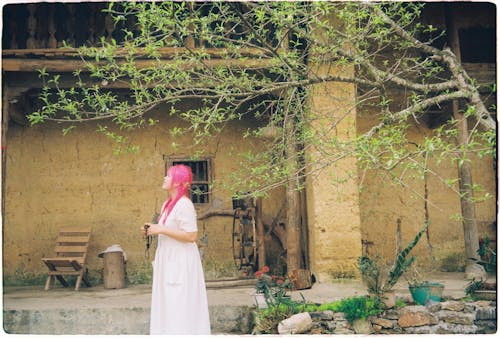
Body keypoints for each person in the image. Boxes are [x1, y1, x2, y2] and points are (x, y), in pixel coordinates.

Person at [142, 164, 211, 335]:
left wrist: (162, 229)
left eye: (168, 176)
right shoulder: (168, 204)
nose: (164, 178)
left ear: (177, 182)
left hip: (180, 259)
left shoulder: (184, 204)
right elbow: (168, 228)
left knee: (179, 300)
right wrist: (152, 229)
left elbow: (191, 235)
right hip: (168, 257)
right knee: (168, 301)